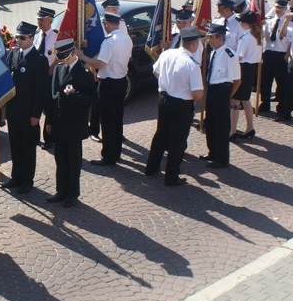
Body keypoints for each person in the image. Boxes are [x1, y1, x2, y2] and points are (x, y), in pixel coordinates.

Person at [144, 27, 204, 186]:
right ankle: (171, 176)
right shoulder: (192, 65)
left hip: (164, 99)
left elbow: (155, 71)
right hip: (181, 104)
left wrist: (166, 83)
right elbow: (197, 93)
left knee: (161, 135)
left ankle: (151, 167)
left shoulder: (167, 54)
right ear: (193, 44)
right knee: (177, 140)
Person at [47, 39, 96, 207]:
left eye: (65, 57)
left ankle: (72, 193)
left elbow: (91, 98)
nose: (63, 60)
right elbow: (54, 98)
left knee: (73, 161)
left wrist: (74, 94)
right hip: (60, 123)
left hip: (74, 124)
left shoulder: (84, 73)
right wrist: (50, 120)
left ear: (74, 53)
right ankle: (61, 190)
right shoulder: (59, 69)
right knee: (60, 159)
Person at [78, 13, 132, 167]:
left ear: (107, 24)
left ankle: (108, 156)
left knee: (107, 121)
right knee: (117, 119)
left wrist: (83, 57)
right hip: (121, 81)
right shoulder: (126, 38)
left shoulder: (109, 41)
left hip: (108, 84)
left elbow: (100, 64)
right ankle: (116, 153)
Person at [2, 22, 48, 193]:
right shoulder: (12, 54)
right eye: (16, 37)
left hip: (28, 112)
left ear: (31, 37)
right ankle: (16, 177)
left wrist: (36, 114)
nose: (18, 40)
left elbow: (40, 90)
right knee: (15, 145)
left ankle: (27, 180)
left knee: (27, 147)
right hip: (13, 110)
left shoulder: (39, 60)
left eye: (22, 37)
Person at [198, 24, 241, 168]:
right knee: (210, 124)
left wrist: (229, 96)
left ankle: (222, 158)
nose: (208, 39)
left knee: (221, 126)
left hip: (222, 91)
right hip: (212, 89)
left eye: (211, 37)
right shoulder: (213, 52)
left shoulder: (230, 55)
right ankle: (213, 152)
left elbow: (237, 80)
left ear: (220, 38)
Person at [230, 13, 261, 142]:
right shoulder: (256, 36)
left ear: (245, 24)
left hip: (242, 68)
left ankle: (232, 131)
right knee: (246, 100)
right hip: (252, 68)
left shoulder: (246, 38)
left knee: (235, 100)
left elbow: (239, 57)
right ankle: (250, 127)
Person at [259, 0, 291, 115]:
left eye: (281, 8)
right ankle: (265, 103)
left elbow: (287, 39)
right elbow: (263, 36)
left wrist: (287, 55)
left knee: (281, 83)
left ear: (286, 9)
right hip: (268, 53)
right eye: (277, 7)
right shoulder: (269, 21)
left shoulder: (289, 23)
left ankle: (281, 107)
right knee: (265, 81)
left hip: (280, 55)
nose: (279, 10)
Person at [35, 7, 58, 151]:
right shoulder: (37, 35)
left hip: (50, 76)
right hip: (36, 76)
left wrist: (52, 67)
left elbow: (60, 56)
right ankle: (35, 137)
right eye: (38, 19)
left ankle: (49, 138)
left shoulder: (57, 36)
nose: (39, 22)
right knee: (36, 105)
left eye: (41, 19)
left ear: (50, 20)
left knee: (50, 109)